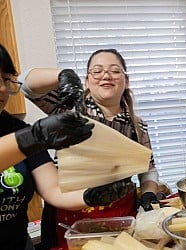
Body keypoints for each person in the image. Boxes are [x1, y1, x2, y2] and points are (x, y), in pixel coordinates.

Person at [19, 48, 161, 249]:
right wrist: (62, 75)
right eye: (97, 71)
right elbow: (26, 85)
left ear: (126, 81)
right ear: (86, 81)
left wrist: (149, 193)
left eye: (114, 71)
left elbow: (148, 169)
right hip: (70, 212)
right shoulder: (68, 110)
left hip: (119, 213)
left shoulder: (137, 126)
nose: (106, 75)